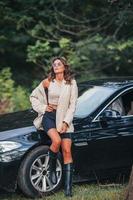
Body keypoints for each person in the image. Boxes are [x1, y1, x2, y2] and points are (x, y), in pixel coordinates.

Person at [29, 57, 78, 197]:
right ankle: (51, 171)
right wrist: (44, 107)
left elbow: (73, 105)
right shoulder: (48, 82)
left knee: (67, 151)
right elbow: (33, 96)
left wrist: (66, 122)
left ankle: (68, 190)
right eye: (54, 64)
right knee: (56, 141)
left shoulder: (71, 83)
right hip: (50, 117)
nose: (56, 66)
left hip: (64, 118)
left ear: (64, 67)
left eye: (59, 64)